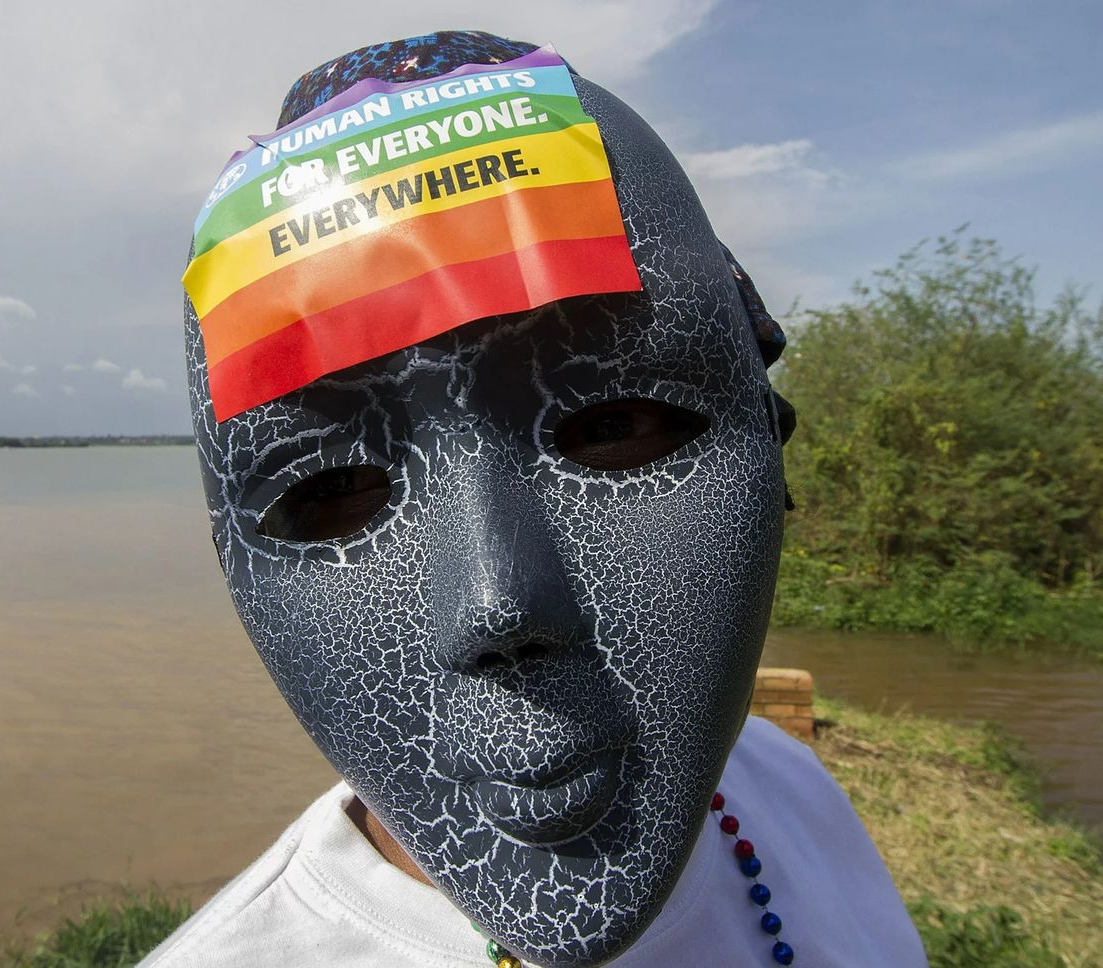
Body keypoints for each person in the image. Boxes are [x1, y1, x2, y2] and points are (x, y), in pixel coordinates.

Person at [142, 30, 926, 968]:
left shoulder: (789, 789)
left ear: (771, 427)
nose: (497, 607)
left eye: (613, 425)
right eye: (333, 489)